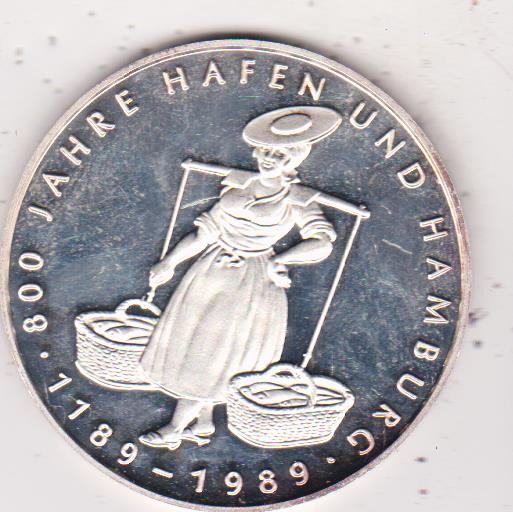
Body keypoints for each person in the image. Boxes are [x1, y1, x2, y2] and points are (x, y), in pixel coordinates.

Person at [139, 106, 358, 449]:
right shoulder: (236, 186)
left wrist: (282, 259)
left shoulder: (298, 200)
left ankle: (176, 427)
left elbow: (322, 243)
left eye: (280, 155)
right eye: (267, 151)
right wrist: (170, 262)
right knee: (196, 346)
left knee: (218, 353)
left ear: (294, 160)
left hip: (251, 281)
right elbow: (204, 234)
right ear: (256, 152)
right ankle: (204, 424)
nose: (270, 159)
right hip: (208, 273)